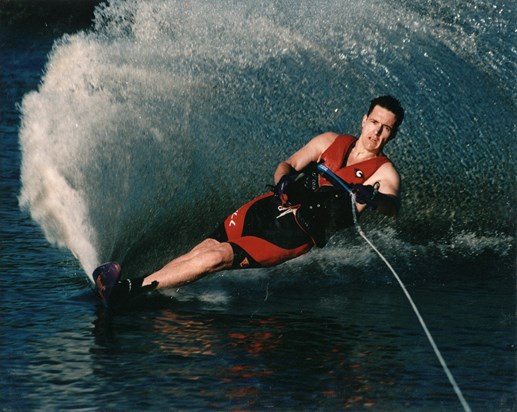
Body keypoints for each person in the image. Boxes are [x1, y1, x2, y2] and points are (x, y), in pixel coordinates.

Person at [94, 95, 405, 308]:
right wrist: (283, 180)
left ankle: (125, 291)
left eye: (385, 128)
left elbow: (392, 205)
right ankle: (138, 291)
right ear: (364, 119)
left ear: (391, 135)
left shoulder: (384, 172)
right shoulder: (328, 141)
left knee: (217, 258)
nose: (376, 132)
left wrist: (373, 196)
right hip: (267, 207)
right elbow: (288, 164)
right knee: (203, 251)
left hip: (294, 234)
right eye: (374, 122)